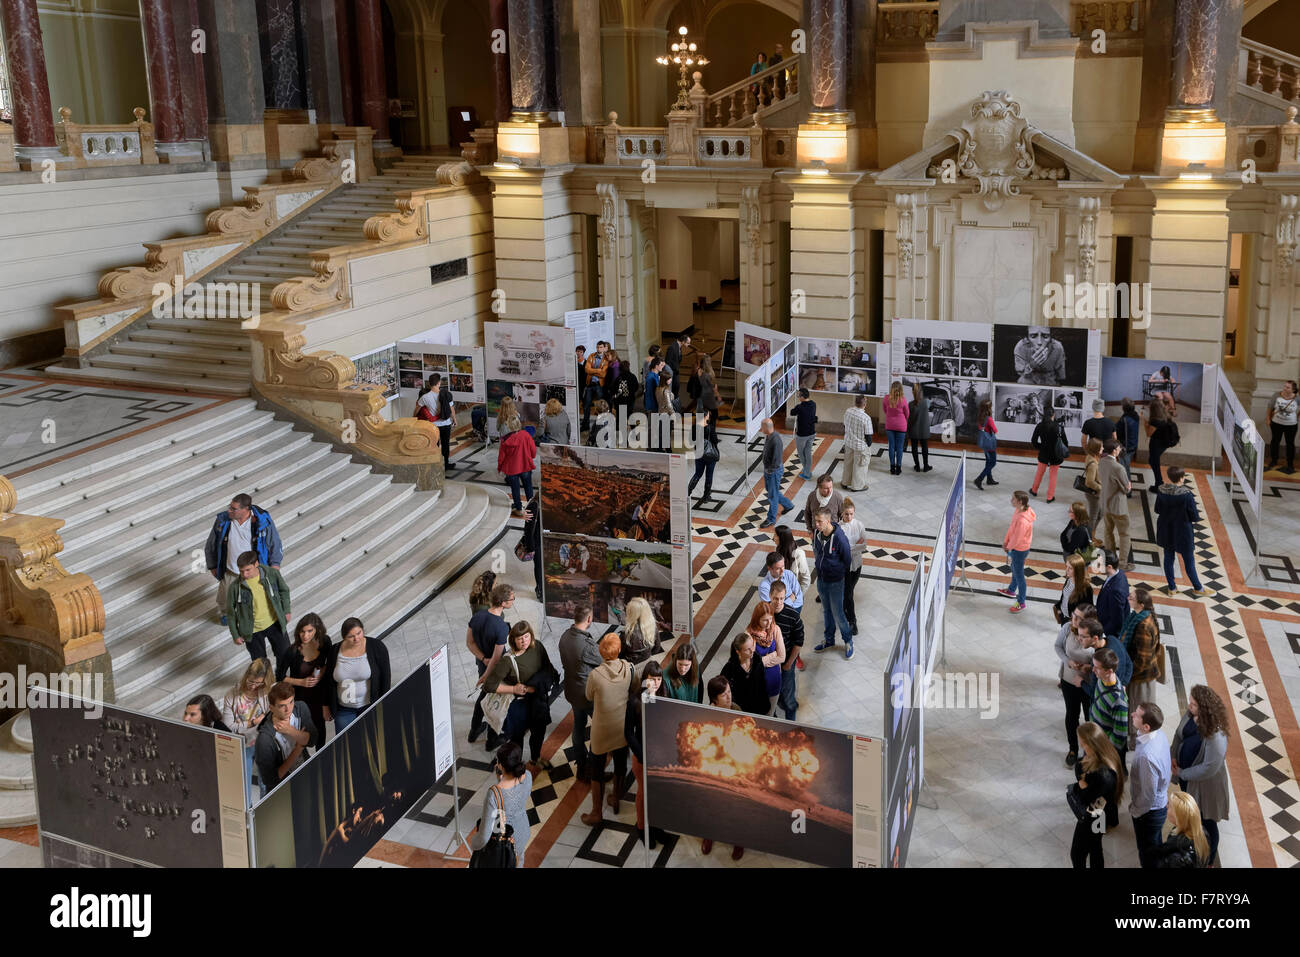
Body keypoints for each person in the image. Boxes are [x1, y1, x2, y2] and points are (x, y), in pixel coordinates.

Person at [484, 620, 558, 774]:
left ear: (531, 635)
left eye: (526, 636)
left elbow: (547, 666)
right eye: (519, 639)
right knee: (517, 737)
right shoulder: (508, 660)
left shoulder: (537, 646)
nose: (524, 641)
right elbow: (489, 685)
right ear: (513, 640)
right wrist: (513, 688)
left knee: (539, 730)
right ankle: (515, 766)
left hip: (537, 700)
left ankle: (535, 757)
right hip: (519, 704)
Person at [1170, 684, 1230, 867]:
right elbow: (1179, 734)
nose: (1189, 706)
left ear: (1204, 709)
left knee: (1207, 822)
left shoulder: (1216, 734)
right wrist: (1173, 755)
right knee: (1191, 814)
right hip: (1187, 778)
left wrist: (1182, 773)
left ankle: (1209, 860)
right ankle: (1191, 842)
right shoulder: (1191, 715)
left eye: (1194, 704)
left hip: (1206, 786)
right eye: (1190, 701)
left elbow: (1208, 768)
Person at [205, 493, 283, 625]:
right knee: (225, 597)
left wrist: (275, 565)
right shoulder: (223, 521)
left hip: (253, 571)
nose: (229, 510)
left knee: (255, 597)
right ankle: (227, 615)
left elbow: (274, 543)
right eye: (230, 507)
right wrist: (212, 565)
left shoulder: (262, 522)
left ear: (246, 509)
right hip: (231, 570)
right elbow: (211, 544)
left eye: (233, 508)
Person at [583, 632, 632, 825]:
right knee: (620, 763)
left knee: (597, 767)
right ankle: (616, 798)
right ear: (619, 650)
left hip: (601, 729)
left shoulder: (595, 675)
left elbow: (588, 696)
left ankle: (596, 812)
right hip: (621, 726)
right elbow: (633, 687)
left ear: (601, 653)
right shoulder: (629, 668)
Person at [702, 675, 746, 860]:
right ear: (714, 699)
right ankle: (710, 834)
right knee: (712, 805)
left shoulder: (736, 710)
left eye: (729, 692)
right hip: (713, 767)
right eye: (724, 695)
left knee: (736, 808)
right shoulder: (706, 715)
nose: (729, 697)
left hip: (735, 766)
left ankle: (738, 839)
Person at [1068, 722, 1124, 868]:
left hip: (1094, 816)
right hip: (1101, 813)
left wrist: (1082, 783)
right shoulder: (1108, 754)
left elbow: (1085, 797)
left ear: (1091, 745)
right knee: (1095, 848)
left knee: (1077, 853)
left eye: (1082, 743)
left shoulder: (1103, 774)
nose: (1081, 746)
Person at [624, 660, 667, 847]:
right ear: (644, 680)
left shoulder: (664, 697)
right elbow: (628, 733)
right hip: (642, 757)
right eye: (651, 679)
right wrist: (642, 755)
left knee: (658, 794)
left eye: (658, 679)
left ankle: (657, 826)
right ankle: (642, 828)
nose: (655, 683)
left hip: (661, 757)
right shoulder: (635, 701)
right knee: (643, 794)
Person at [558, 604, 602, 781]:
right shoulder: (586, 646)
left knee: (578, 725)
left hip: (571, 690)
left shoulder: (564, 636)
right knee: (598, 728)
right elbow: (603, 661)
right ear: (589, 619)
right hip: (588, 694)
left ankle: (581, 763)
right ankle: (592, 763)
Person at [472, 741, 533, 866]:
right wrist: (501, 777)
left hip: (505, 843)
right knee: (518, 862)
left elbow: (484, 837)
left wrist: (474, 843)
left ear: (501, 766)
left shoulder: (493, 794)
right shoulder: (527, 776)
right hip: (522, 831)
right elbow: (513, 796)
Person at [1087, 649, 1129, 827]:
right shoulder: (1101, 680)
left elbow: (1119, 736)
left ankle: (1110, 821)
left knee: (1107, 790)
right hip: (1095, 742)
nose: (1093, 670)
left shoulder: (1118, 701)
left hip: (1104, 751)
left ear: (1109, 670)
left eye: (1097, 668)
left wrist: (1101, 753)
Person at [327, 616, 391, 734]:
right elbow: (328, 680)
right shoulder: (335, 650)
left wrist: (383, 705)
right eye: (351, 636)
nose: (356, 638)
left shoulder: (377, 647)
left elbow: (385, 679)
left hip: (369, 707)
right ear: (344, 637)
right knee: (346, 745)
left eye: (359, 633)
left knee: (371, 741)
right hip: (344, 709)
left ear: (363, 630)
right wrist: (326, 706)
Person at [225, 550, 292, 662]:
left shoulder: (271, 574)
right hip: (253, 631)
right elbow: (231, 613)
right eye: (241, 571)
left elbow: (284, 590)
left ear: (256, 564)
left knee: (285, 656)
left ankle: (282, 679)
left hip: (275, 623)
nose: (244, 574)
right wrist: (235, 634)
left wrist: (286, 610)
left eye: (248, 570)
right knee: (259, 664)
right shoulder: (235, 587)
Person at [221, 659, 271, 806]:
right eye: (251, 682)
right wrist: (252, 723)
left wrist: (261, 719)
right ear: (246, 677)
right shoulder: (232, 694)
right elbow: (228, 725)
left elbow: (271, 716)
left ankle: (266, 809)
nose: (254, 686)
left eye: (258, 683)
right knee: (244, 785)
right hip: (243, 744)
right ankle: (248, 816)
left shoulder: (267, 692)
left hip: (263, 742)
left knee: (265, 783)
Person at [255, 681, 317, 797]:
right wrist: (298, 749)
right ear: (271, 708)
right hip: (283, 791)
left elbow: (312, 740)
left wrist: (290, 730)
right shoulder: (264, 739)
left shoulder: (300, 708)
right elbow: (271, 781)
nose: (288, 709)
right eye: (282, 705)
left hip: (306, 774)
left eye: (291, 702)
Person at [275, 612, 332, 741]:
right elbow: (279, 676)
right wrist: (302, 682)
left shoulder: (325, 642)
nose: (305, 635)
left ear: (317, 630)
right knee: (302, 732)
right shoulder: (292, 651)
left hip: (320, 695)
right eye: (302, 631)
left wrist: (321, 672)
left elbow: (330, 663)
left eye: (309, 631)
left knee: (320, 732)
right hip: (301, 698)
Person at [1128, 702, 1171, 868]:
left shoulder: (1147, 757)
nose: (1132, 714)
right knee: (1154, 845)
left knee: (1147, 853)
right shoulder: (1158, 733)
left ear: (1146, 726)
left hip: (1150, 812)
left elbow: (1148, 795)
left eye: (1137, 715)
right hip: (1158, 804)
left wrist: (1135, 811)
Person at [1154, 466, 1207, 597]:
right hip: (1182, 531)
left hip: (1166, 528)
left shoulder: (1162, 490)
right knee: (1189, 561)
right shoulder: (1186, 495)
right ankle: (1198, 588)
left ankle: (1172, 588)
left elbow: (1157, 509)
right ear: (1182, 478)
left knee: (1168, 557)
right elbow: (1194, 516)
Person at [1056, 605, 1097, 768]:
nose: (1075, 619)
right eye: (1074, 615)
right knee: (1072, 715)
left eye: (1080, 618)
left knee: (1089, 717)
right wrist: (1068, 661)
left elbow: (1100, 659)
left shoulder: (1096, 634)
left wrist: (1088, 668)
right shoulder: (1067, 628)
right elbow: (1058, 647)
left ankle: (1090, 751)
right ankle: (1073, 749)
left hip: (1088, 683)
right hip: (1069, 679)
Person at [811, 506, 855, 657]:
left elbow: (847, 559)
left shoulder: (839, 538)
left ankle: (848, 641)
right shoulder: (817, 533)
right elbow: (817, 552)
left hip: (836, 582)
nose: (816, 524)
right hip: (821, 579)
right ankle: (829, 640)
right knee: (826, 611)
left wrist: (836, 570)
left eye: (819, 521)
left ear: (828, 521)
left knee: (838, 613)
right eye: (816, 521)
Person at [1122, 588, 1164, 747]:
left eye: (1131, 597)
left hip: (1141, 677)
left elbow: (1143, 660)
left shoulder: (1143, 625)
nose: (1128, 598)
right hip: (1140, 674)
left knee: (1137, 709)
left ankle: (1135, 741)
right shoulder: (1140, 616)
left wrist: (1127, 676)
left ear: (1140, 603)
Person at [768, 580, 803, 720]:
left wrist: (788, 664)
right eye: (776, 598)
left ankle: (791, 725)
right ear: (770, 596)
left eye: (782, 598)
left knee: (788, 697)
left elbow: (798, 642)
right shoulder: (763, 612)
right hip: (769, 662)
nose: (779, 602)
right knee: (770, 697)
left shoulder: (793, 616)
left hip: (786, 661)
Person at [1151, 789, 1210, 868]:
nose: (1166, 806)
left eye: (1169, 806)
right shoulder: (1201, 831)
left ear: (1178, 817)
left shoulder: (1177, 859)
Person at [1098, 440, 1133, 571]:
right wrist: (1128, 487)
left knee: (1108, 532)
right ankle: (1123, 563)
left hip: (1105, 504)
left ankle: (1110, 559)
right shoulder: (1118, 467)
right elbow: (1125, 488)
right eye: (1118, 448)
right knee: (1124, 534)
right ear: (1114, 451)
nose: (1120, 450)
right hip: (1118, 507)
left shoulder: (1101, 462)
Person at [998, 491, 1035, 613]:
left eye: (1013, 499)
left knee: (1019, 575)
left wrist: (1008, 547)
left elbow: (1017, 538)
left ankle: (1021, 602)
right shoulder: (1020, 511)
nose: (1011, 500)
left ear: (1020, 502)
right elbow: (1011, 528)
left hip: (1019, 549)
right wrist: (1006, 541)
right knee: (1014, 568)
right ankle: (1011, 590)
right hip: (1016, 547)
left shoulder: (1023, 520)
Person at [746, 602, 786, 716]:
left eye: (770, 618)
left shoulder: (775, 629)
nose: (769, 623)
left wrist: (761, 661)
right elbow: (750, 665)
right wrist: (773, 655)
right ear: (757, 619)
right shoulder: (749, 634)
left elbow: (782, 657)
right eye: (765, 620)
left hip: (774, 680)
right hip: (757, 682)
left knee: (770, 715)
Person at [721, 633, 770, 714]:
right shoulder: (729, 669)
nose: (752, 651)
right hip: (740, 712)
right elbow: (724, 691)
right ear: (738, 652)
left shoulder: (757, 662)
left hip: (760, 709)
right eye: (747, 649)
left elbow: (762, 685)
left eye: (752, 646)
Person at [840, 497, 868, 637]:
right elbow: (841, 548)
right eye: (846, 514)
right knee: (848, 593)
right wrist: (855, 546)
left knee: (848, 591)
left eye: (851, 514)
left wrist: (849, 547)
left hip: (856, 565)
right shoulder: (838, 528)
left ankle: (844, 608)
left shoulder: (859, 525)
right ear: (842, 513)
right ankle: (852, 621)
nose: (849, 516)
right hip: (844, 566)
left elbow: (864, 545)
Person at [759, 418, 794, 528]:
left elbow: (776, 459)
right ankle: (788, 505)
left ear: (766, 427)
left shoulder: (776, 440)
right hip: (769, 470)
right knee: (771, 491)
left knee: (772, 495)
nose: (761, 429)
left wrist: (770, 471)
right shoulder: (769, 436)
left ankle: (771, 519)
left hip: (773, 471)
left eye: (762, 427)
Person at [498, 419, 537, 518]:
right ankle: (532, 507)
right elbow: (533, 451)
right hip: (525, 466)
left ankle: (518, 508)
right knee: (528, 487)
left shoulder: (505, 439)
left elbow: (501, 457)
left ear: (509, 427)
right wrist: (530, 456)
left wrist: (500, 468)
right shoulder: (526, 435)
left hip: (511, 469)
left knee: (515, 489)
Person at [1029, 405, 1067, 503]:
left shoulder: (1039, 426)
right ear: (1053, 414)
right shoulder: (1059, 427)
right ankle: (1050, 497)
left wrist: (1040, 447)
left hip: (1044, 454)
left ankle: (1034, 490)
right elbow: (1065, 442)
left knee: (1039, 473)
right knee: (1053, 476)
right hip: (1056, 455)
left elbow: (1033, 441)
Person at [619, 596, 663, 678]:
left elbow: (620, 655)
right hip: (648, 665)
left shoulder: (626, 633)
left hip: (631, 669)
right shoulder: (653, 627)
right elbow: (657, 648)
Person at [420, 373, 455, 465]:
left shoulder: (425, 397)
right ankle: (446, 464)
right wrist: (454, 419)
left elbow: (417, 409)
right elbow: (451, 408)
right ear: (439, 383)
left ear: (429, 383)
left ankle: (435, 463)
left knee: (435, 444)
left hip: (433, 425)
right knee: (445, 444)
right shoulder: (446, 394)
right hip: (446, 423)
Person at [841, 393, 873, 491]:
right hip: (860, 446)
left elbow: (844, 425)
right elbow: (868, 436)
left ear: (855, 402)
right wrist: (869, 445)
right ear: (865, 404)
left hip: (849, 442)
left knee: (848, 463)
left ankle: (845, 482)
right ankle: (857, 486)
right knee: (860, 466)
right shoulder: (866, 418)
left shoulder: (848, 411)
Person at [1095, 549, 1131, 638]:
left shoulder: (1116, 590)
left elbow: (1117, 619)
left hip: (1109, 631)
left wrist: (1105, 632)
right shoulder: (1119, 573)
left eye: (1100, 565)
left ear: (1109, 567)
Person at [1144, 397, 1179, 487]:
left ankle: (1159, 484)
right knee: (1152, 461)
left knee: (1154, 462)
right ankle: (1158, 482)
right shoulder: (1165, 417)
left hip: (1156, 444)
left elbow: (1148, 434)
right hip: (1164, 444)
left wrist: (1145, 423)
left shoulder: (1155, 421)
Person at [687, 407, 719, 504]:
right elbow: (715, 440)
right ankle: (706, 496)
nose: (709, 415)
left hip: (699, 454)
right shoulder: (710, 428)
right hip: (710, 455)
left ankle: (688, 492)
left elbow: (691, 441)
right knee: (709, 476)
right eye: (708, 414)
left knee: (697, 474)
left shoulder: (693, 427)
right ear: (705, 416)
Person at [1265, 379, 1298, 473]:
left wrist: (1296, 417)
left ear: (1293, 390)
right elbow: (1270, 407)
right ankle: (1274, 460)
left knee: (1290, 444)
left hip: (1291, 425)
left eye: (1288, 387)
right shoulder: (1276, 395)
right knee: (1275, 441)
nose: (1285, 388)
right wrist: (1268, 419)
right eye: (1285, 386)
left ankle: (1290, 463)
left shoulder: (1297, 398)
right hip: (1276, 423)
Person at [774, 525, 812, 598]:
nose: (773, 538)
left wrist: (797, 595)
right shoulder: (779, 549)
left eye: (776, 535)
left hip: (794, 594)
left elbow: (806, 578)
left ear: (782, 538)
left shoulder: (798, 553)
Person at [789, 388, 818, 480]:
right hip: (812, 432)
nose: (798, 397)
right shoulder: (813, 404)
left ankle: (807, 473)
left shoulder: (799, 407)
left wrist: (797, 407)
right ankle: (807, 472)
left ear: (802, 397)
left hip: (802, 435)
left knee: (801, 453)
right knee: (808, 452)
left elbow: (792, 412)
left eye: (798, 395)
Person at [582, 340, 610, 432]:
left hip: (599, 385)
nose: (599, 349)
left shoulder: (606, 358)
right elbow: (587, 370)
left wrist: (593, 370)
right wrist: (598, 370)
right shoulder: (591, 356)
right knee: (586, 405)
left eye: (601, 347)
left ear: (604, 348)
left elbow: (603, 374)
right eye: (598, 347)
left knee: (600, 406)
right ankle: (585, 425)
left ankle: (600, 425)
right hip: (590, 384)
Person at [1058, 554, 1094, 625]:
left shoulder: (1086, 588)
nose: (1067, 570)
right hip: (1064, 617)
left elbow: (1087, 609)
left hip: (1075, 622)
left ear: (1078, 570)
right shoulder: (1069, 579)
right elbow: (1064, 596)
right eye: (1066, 566)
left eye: (1070, 568)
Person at [882, 381, 910, 475]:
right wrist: (902, 419)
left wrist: (890, 417)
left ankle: (892, 468)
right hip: (901, 426)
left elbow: (885, 410)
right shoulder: (903, 400)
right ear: (901, 389)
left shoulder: (886, 399)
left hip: (889, 425)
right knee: (899, 447)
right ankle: (898, 468)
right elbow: (907, 414)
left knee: (891, 446)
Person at [972, 398, 999, 490]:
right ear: (989, 408)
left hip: (984, 443)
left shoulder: (980, 417)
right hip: (990, 443)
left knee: (988, 461)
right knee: (993, 462)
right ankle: (979, 479)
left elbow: (981, 428)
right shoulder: (989, 419)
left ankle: (989, 479)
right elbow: (995, 430)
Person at [906, 381, 932, 472]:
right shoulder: (927, 402)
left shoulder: (910, 404)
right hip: (924, 430)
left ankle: (917, 466)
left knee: (914, 448)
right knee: (924, 447)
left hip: (913, 430)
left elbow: (909, 419)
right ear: (921, 391)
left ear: (913, 392)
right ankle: (925, 466)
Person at [1115, 399, 1140, 491]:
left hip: (1125, 447)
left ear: (1124, 408)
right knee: (1126, 467)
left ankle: (1127, 490)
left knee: (1124, 469)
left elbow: (1117, 431)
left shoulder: (1125, 419)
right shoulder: (1135, 416)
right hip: (1133, 446)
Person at [1081, 437, 1103, 531]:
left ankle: (1091, 535)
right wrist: (1101, 488)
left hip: (1096, 493)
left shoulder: (1091, 456)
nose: (1103, 448)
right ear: (1096, 449)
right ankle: (1089, 538)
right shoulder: (1093, 463)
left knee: (1100, 514)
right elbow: (1089, 482)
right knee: (1094, 517)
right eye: (1101, 447)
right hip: (1094, 494)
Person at [696, 354, 721, 418]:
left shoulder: (699, 370)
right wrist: (718, 395)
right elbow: (714, 387)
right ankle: (710, 426)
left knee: (702, 414)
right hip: (709, 396)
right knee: (714, 415)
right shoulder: (710, 373)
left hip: (701, 395)